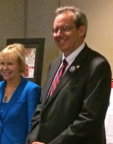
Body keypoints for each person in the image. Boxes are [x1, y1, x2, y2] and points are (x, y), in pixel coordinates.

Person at [27, 6, 112, 144]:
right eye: (55, 30)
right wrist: (32, 139)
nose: (58, 34)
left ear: (81, 30)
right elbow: (41, 106)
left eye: (65, 29)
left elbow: (90, 118)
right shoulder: (54, 64)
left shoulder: (97, 66)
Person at [0, 43, 40, 144]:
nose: (5, 68)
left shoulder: (31, 90)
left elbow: (32, 127)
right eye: (2, 63)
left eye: (10, 64)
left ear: (20, 65)